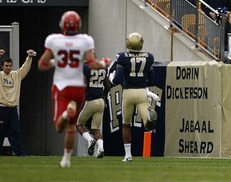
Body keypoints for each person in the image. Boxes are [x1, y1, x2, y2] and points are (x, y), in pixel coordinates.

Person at [38, 11, 110, 168]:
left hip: (69, 89)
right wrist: (104, 63)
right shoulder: (85, 41)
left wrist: (55, 61)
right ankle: (97, 149)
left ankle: (88, 138)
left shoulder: (54, 40)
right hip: (98, 99)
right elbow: (106, 82)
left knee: (69, 125)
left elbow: (42, 64)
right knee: (94, 128)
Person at [112, 32, 157, 162]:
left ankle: (128, 155)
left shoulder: (122, 57)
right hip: (142, 92)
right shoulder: (149, 57)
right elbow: (152, 80)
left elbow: (117, 79)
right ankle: (149, 119)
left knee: (126, 125)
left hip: (128, 92)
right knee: (148, 126)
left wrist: (115, 79)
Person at [0, 49, 36, 156]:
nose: (8, 67)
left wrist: (29, 57)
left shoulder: (16, 75)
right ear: (2, 66)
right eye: (6, 65)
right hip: (1, 108)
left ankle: (20, 154)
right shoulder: (0, 75)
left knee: (15, 132)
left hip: (12, 109)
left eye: (10, 65)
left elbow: (25, 68)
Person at [76, 53, 109, 158]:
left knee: (79, 124)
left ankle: (90, 140)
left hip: (90, 101)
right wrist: (102, 96)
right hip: (100, 102)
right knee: (96, 129)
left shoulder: (85, 67)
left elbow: (84, 83)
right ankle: (101, 148)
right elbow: (108, 86)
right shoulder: (103, 67)